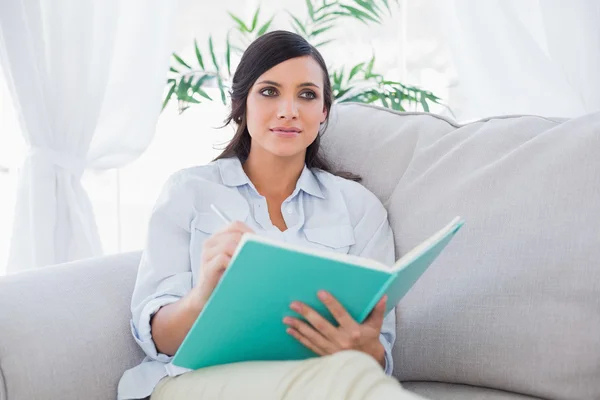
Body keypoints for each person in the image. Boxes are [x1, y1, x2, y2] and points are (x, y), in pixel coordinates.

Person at [117, 30, 424, 400]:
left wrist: (364, 346)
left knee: (349, 372)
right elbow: (158, 340)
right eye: (269, 91)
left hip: (319, 380)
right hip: (196, 383)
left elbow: (378, 353)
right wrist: (203, 297)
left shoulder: (359, 208)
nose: (288, 110)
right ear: (241, 103)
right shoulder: (189, 192)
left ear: (324, 111)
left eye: (307, 95)